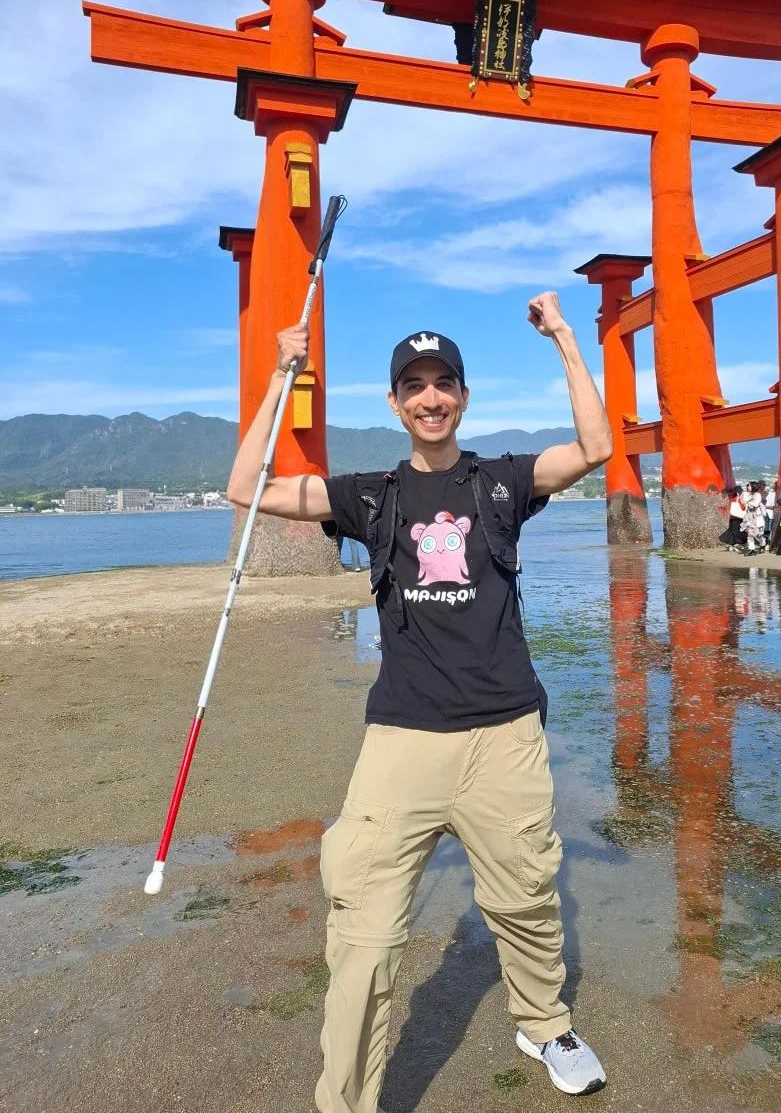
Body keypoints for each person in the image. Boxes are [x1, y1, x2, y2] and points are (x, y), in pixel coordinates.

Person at [226, 293, 610, 1112]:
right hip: (401, 740)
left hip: (504, 732)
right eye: (415, 385)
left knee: (527, 899)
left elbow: (596, 446)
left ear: (463, 397)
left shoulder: (502, 483)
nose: (431, 397)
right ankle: (346, 1101)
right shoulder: (371, 496)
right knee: (362, 928)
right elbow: (243, 488)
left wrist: (567, 340)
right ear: (395, 403)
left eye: (444, 383)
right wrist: (277, 377)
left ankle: (544, 1023)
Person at [742, 482, 767, 555]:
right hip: (749, 516)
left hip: (757, 516)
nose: (748, 487)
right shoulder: (746, 494)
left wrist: (747, 502)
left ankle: (762, 543)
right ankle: (751, 549)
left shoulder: (758, 495)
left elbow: (756, 504)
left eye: (749, 486)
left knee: (758, 534)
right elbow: (744, 504)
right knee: (749, 533)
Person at [721, 485, 746, 550]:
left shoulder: (731, 499)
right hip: (738, 518)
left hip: (731, 517)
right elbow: (743, 508)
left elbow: (728, 508)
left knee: (731, 531)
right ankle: (736, 544)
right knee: (737, 532)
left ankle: (730, 544)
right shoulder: (739, 499)